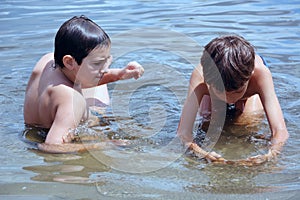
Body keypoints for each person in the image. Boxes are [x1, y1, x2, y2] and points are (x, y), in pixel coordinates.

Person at [23, 15, 144, 153]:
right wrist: (106, 145)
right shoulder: (71, 100)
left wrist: (120, 74)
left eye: (106, 60)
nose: (104, 69)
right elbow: (50, 146)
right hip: (54, 134)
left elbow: (76, 77)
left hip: (33, 131)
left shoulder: (48, 60)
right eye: (97, 63)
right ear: (69, 62)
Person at [177, 35, 289, 164]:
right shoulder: (200, 77)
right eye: (221, 92)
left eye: (236, 92)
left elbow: (279, 130)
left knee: (248, 122)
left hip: (247, 91)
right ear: (207, 80)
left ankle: (235, 95)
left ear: (250, 76)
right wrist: (199, 152)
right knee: (208, 123)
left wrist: (271, 154)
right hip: (214, 89)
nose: (228, 99)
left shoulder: (259, 74)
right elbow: (183, 132)